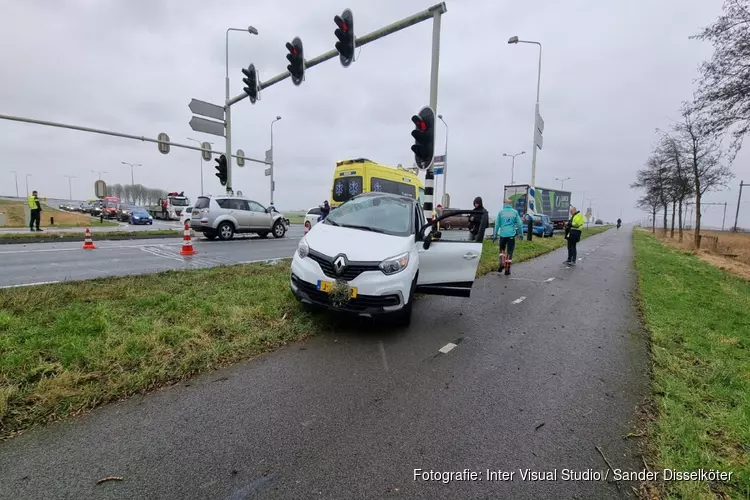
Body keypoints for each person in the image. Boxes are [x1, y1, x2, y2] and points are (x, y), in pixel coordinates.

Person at [492, 198, 524, 275]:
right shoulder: (515, 212)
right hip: (511, 235)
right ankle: (507, 269)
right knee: (509, 252)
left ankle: (501, 263)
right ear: (511, 204)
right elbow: (519, 224)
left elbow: (497, 225)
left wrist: (495, 235)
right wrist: (521, 234)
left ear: (505, 204)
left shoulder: (501, 212)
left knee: (502, 250)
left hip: (503, 234)